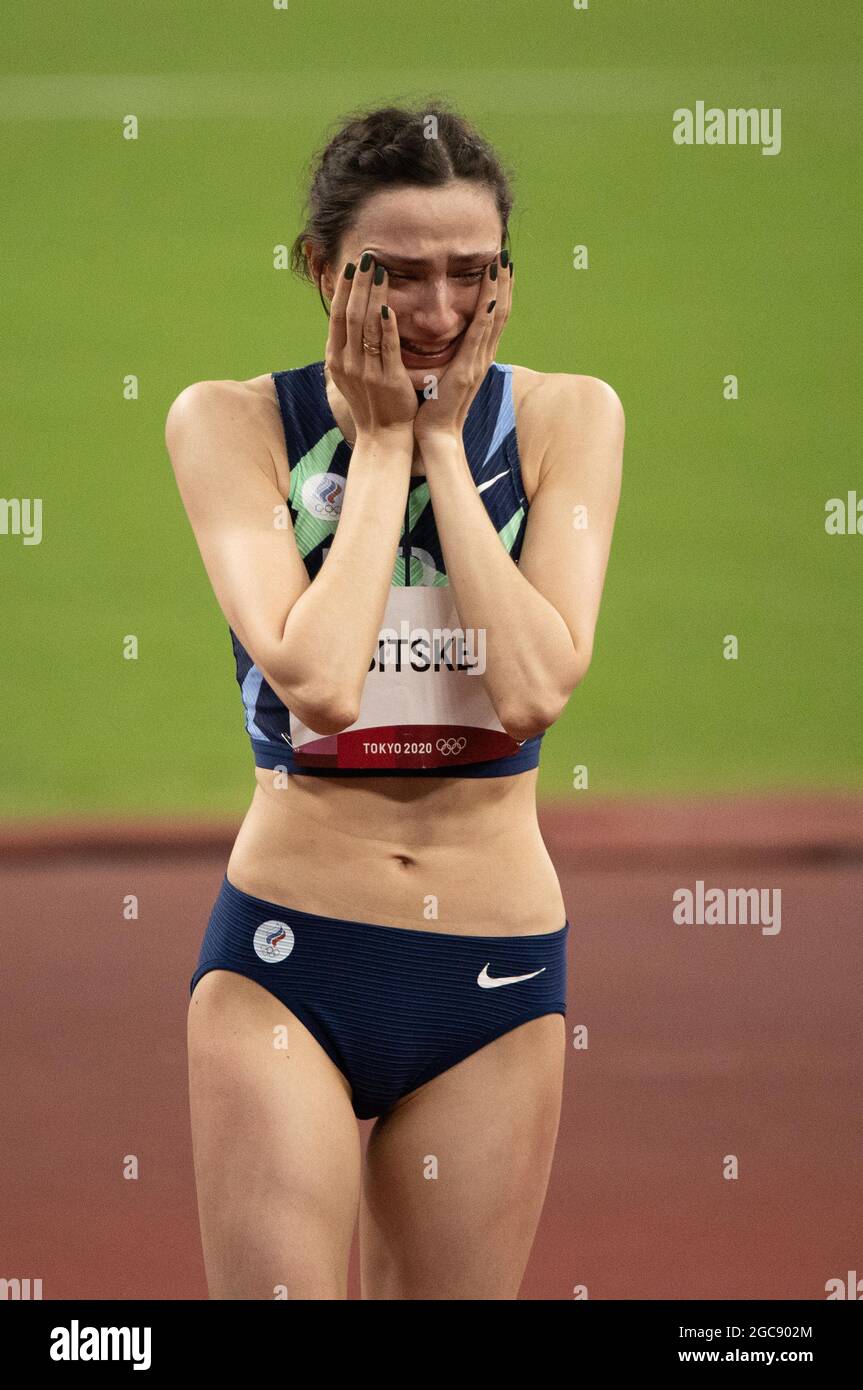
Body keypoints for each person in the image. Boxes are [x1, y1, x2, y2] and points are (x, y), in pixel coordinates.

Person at [166, 102, 624, 1300]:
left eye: (470, 276)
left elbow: (529, 690)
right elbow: (314, 682)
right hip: (289, 957)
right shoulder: (233, 425)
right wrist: (372, 450)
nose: (434, 313)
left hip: (494, 974)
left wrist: (441, 454)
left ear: (505, 283)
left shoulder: (569, 418)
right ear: (322, 269)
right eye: (396, 275)